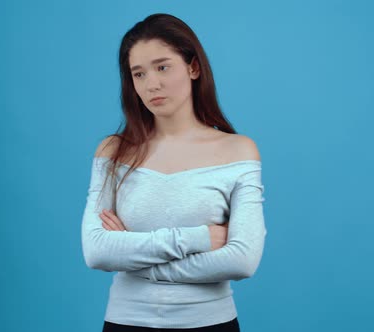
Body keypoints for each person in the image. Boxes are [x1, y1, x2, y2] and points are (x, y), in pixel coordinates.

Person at [81, 13, 267, 332]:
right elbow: (97, 252)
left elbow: (242, 260)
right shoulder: (114, 151)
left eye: (162, 67)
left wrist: (134, 254)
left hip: (211, 324)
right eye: (138, 74)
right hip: (126, 323)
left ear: (193, 67)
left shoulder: (239, 151)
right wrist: (200, 238)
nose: (151, 84)